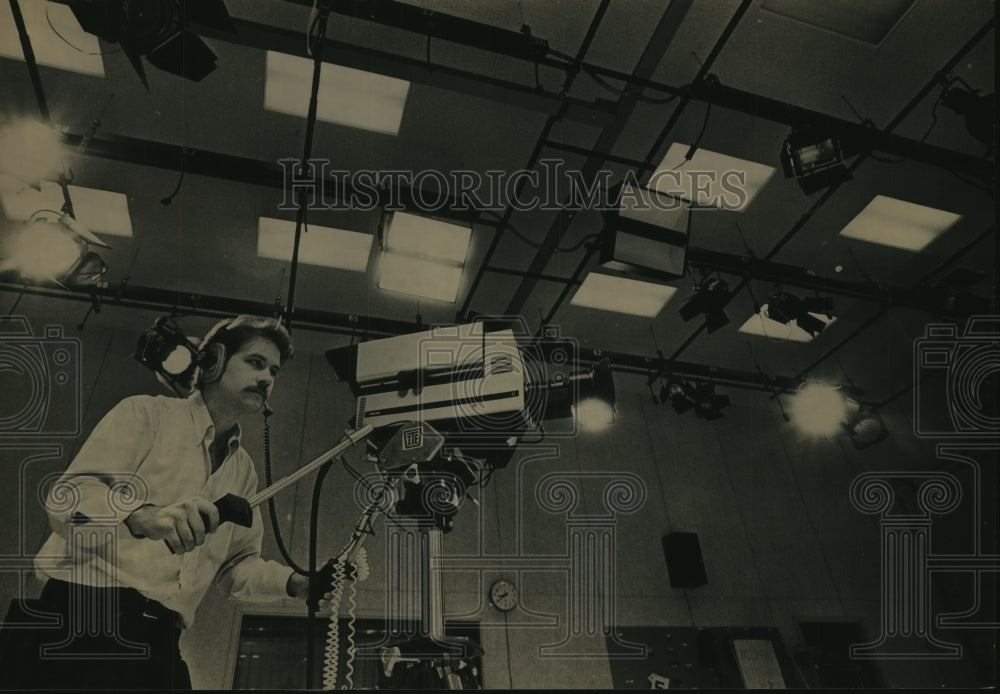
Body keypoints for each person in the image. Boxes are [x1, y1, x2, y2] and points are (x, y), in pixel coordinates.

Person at [12, 315, 313, 690]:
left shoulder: (244, 471)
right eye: (255, 362)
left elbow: (237, 566)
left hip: (158, 638)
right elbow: (66, 499)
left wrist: (293, 582)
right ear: (213, 361)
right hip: (80, 619)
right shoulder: (145, 414)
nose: (268, 378)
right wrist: (142, 517)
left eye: (274, 370)